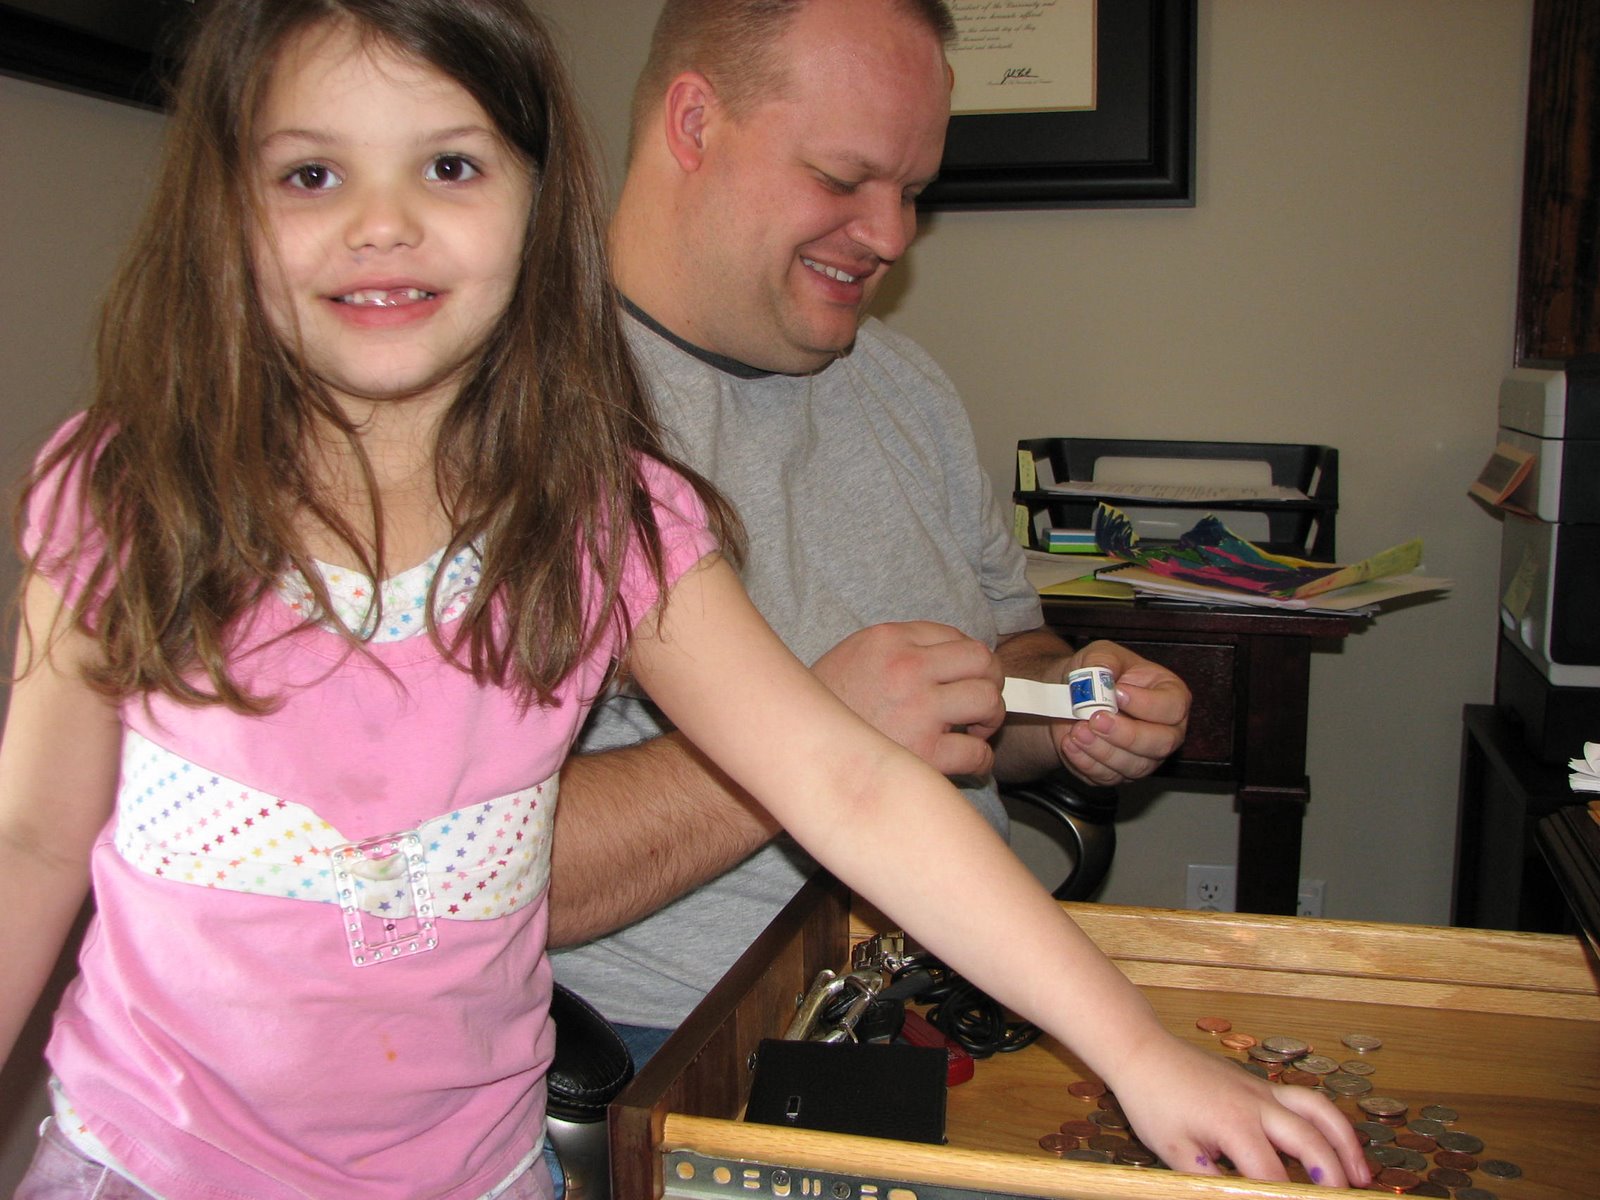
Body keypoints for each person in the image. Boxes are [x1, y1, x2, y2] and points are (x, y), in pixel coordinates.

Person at [0, 0, 1369, 1194]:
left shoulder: (604, 511)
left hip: (474, 1172)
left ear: (537, 201)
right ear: (223, 206)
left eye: (452, 165)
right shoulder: (123, 495)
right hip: (144, 1161)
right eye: (310, 173)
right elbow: (32, 845)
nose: (382, 222)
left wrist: (1138, 1051)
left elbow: (856, 782)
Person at [550, 0, 1192, 1052]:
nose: (892, 238)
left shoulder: (903, 385)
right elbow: (474, 871)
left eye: (913, 193)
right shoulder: (518, 419)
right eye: (842, 178)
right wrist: (816, 738)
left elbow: (1001, 672)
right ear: (695, 124)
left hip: (962, 991)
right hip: (687, 1041)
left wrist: (1069, 706)